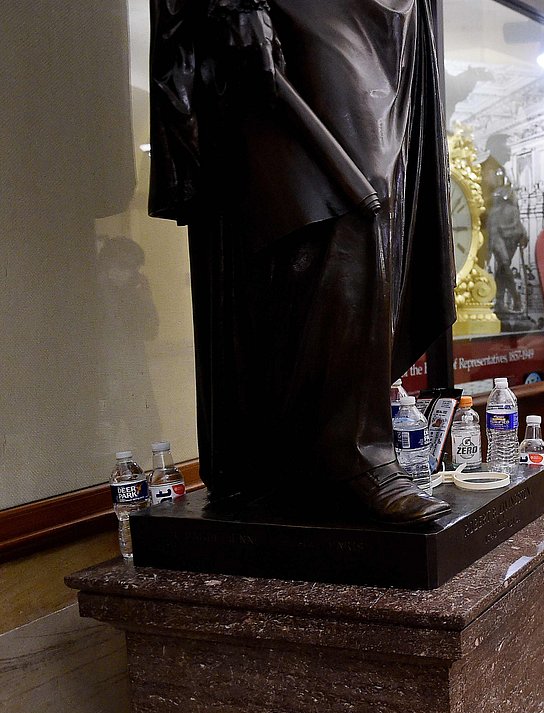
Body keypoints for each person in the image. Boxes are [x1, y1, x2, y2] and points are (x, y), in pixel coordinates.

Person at [148, 0, 455, 522]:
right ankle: (345, 454)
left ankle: (289, 460)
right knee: (342, 198)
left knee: (386, 197)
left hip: (389, 13)